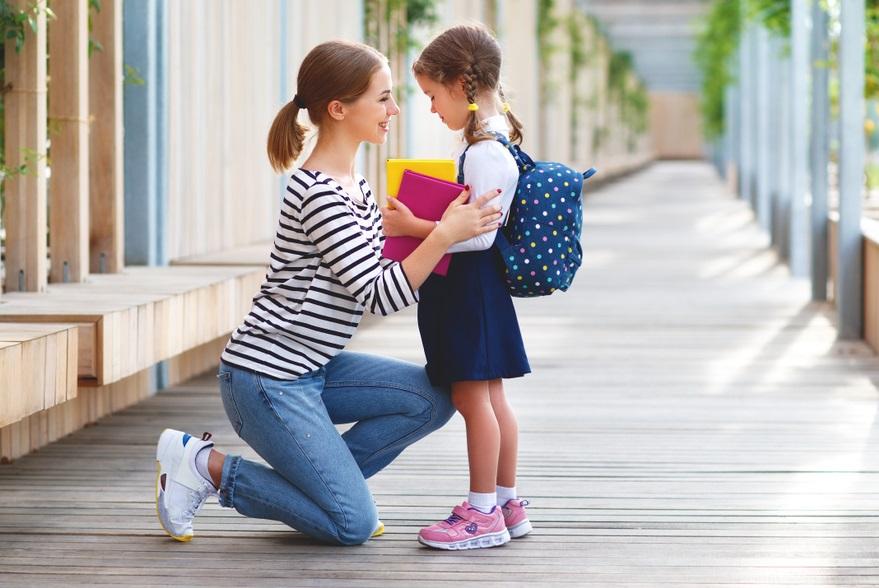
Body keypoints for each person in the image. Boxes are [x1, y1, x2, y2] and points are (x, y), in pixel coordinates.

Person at [154, 39, 503, 546]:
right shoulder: (319, 193)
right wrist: (445, 233)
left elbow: (382, 268)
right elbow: (380, 295)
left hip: (313, 367)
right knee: (351, 525)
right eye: (382, 98)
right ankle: (206, 467)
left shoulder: (355, 185)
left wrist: (430, 228)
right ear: (339, 109)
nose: (395, 109)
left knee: (433, 398)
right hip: (266, 379)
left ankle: (324, 492)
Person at [380, 24, 531, 550]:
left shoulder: (483, 152)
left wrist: (412, 228)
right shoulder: (493, 142)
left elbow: (477, 238)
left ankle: (483, 511)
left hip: (467, 292)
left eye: (433, 95)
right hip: (479, 294)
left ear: (463, 84)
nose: (430, 108)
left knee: (474, 402)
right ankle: (506, 502)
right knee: (492, 399)